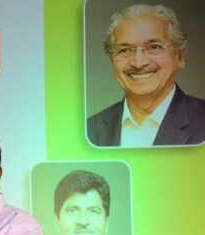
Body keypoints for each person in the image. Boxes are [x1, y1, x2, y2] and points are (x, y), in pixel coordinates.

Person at [87, 3, 205, 147]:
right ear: (112, 59)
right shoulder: (89, 129)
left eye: (154, 47)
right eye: (125, 50)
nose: (138, 63)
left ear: (180, 56)